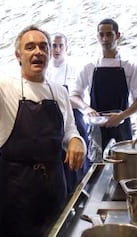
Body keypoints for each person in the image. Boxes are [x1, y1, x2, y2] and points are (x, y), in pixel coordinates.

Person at [0, 10, 86, 236]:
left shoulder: (59, 92)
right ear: (18, 55)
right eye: (30, 47)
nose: (38, 51)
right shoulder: (2, 87)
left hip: (54, 184)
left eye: (43, 46)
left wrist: (77, 140)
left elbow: (69, 129)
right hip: (16, 187)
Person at [70, 19, 137, 162]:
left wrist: (122, 115)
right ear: (97, 37)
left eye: (109, 34)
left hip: (122, 128)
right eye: (101, 35)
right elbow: (74, 96)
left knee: (124, 166)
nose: (105, 39)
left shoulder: (129, 66)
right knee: (98, 169)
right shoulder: (89, 66)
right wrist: (86, 108)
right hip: (97, 129)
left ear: (118, 35)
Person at [47, 33, 90, 194]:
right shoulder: (46, 70)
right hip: (51, 122)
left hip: (74, 119)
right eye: (53, 45)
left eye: (60, 46)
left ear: (66, 48)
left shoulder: (75, 68)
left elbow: (75, 98)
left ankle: (78, 195)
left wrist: (58, 100)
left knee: (76, 164)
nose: (57, 49)